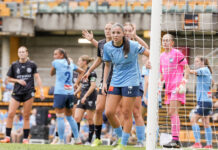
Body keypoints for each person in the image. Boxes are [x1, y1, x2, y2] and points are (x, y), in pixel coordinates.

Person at [103, 23, 149, 150]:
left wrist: (149, 62)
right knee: (109, 112)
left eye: (118, 32)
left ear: (123, 34)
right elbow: (107, 65)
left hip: (131, 81)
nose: (115, 35)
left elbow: (149, 52)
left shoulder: (133, 45)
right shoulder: (107, 47)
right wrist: (105, 82)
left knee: (128, 113)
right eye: (113, 33)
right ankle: (121, 137)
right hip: (115, 81)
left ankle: (123, 144)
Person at [0, 46, 45, 144]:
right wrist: (18, 80)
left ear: (27, 53)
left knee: (26, 115)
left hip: (29, 93)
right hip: (17, 92)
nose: (21, 53)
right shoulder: (14, 65)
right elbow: (8, 79)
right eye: (20, 52)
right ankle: (7, 137)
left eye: (23, 52)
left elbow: (37, 78)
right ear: (18, 53)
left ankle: (25, 139)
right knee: (11, 113)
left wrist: (41, 91)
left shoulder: (32, 64)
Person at [82, 22, 114, 147]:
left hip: (118, 80)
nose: (107, 30)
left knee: (115, 112)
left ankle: (121, 137)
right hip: (104, 80)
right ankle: (98, 138)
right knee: (99, 109)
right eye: (106, 28)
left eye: (110, 29)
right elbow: (100, 59)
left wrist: (92, 41)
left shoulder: (119, 43)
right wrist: (88, 71)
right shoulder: (101, 43)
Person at [160, 34, 190, 148]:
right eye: (163, 40)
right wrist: (159, 84)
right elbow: (162, 74)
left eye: (167, 40)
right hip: (167, 89)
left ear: (172, 42)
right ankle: (175, 140)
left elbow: (187, 68)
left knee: (173, 112)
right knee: (170, 113)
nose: (165, 42)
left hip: (177, 87)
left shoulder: (177, 53)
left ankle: (175, 140)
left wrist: (183, 83)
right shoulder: (161, 56)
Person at [50, 48, 84, 144]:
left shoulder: (56, 62)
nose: (54, 56)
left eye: (55, 54)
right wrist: (76, 83)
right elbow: (82, 72)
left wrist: (55, 67)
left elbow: (51, 73)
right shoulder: (70, 64)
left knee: (60, 117)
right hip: (70, 93)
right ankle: (77, 139)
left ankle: (60, 140)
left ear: (61, 55)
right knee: (70, 117)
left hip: (60, 92)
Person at [190, 56, 213, 149]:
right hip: (207, 101)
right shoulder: (207, 70)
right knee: (206, 123)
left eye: (197, 61)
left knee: (193, 120)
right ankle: (209, 145)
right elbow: (212, 82)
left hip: (204, 101)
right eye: (195, 61)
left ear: (202, 62)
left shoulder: (203, 69)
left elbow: (194, 72)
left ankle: (197, 143)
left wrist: (186, 69)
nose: (195, 63)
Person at [74, 55, 97, 145]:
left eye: (79, 60)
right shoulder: (82, 72)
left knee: (90, 119)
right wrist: (75, 93)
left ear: (84, 62)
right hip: (82, 97)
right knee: (76, 118)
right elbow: (82, 85)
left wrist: (85, 96)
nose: (78, 62)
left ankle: (89, 140)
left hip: (90, 98)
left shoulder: (92, 72)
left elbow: (93, 86)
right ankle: (76, 139)